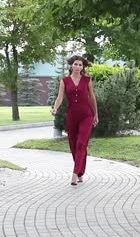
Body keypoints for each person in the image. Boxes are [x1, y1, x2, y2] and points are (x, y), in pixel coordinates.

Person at [51, 55, 99, 186]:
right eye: (76, 64)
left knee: (81, 143)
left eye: (80, 65)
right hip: (72, 116)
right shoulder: (65, 81)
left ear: (83, 67)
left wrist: (96, 115)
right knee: (73, 145)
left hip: (86, 115)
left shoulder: (87, 80)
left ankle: (74, 174)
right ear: (71, 65)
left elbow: (92, 98)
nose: (78, 67)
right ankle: (81, 172)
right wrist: (55, 108)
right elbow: (60, 97)